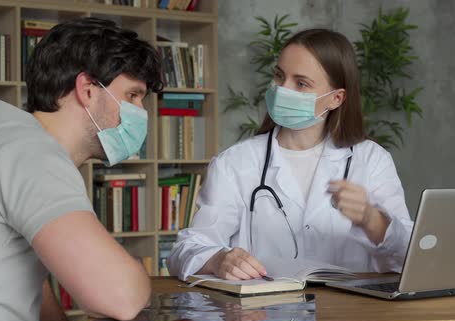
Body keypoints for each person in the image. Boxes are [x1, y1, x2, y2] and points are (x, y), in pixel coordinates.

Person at [0, 17, 162, 321]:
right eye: (133, 96)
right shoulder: (31, 154)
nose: (141, 113)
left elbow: (28, 280)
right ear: (87, 90)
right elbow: (120, 297)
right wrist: (139, 274)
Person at [168, 28, 413, 281]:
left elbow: (411, 258)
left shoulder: (372, 160)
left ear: (336, 98)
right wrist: (217, 260)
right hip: (263, 313)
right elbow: (185, 251)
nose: (282, 89)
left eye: (301, 83)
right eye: (279, 76)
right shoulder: (234, 163)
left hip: (349, 312)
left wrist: (373, 220)